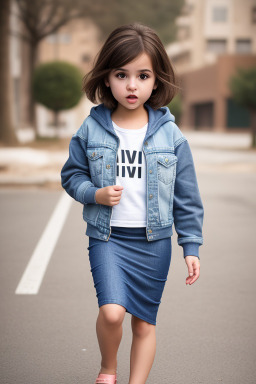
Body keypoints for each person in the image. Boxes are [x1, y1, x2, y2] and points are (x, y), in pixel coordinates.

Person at [61, 22, 204, 384]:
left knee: (144, 321)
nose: (131, 85)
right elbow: (71, 176)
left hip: (154, 243)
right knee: (111, 312)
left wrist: (191, 245)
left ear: (157, 81)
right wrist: (94, 194)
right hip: (108, 238)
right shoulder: (91, 129)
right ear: (106, 77)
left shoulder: (171, 135)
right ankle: (108, 368)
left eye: (142, 75)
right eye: (121, 74)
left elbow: (187, 197)